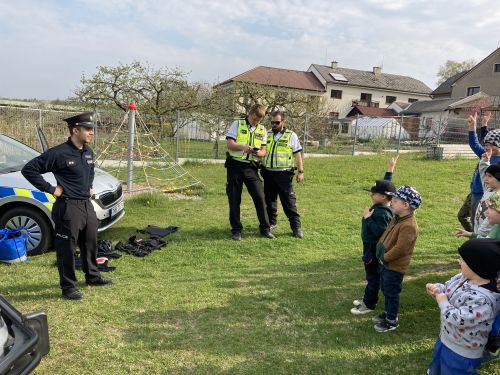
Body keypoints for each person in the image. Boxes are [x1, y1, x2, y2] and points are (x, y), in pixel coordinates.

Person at [21, 112, 113, 300]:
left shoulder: (88, 152)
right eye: (87, 129)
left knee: (90, 243)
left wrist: (89, 187)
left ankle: (93, 277)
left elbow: (90, 170)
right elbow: (29, 169)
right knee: (67, 249)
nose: (91, 133)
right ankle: (68, 287)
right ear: (75, 130)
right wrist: (51, 189)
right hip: (68, 207)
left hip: (87, 206)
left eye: (91, 129)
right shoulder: (58, 153)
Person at [426, 239, 500, 375]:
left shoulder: (483, 300)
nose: (459, 262)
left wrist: (442, 301)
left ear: (477, 266)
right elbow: (449, 289)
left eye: (463, 260)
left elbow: (458, 319)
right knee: (437, 365)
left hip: (463, 351)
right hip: (446, 338)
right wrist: (438, 289)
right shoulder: (463, 277)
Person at [351, 156, 398, 315]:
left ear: (384, 196)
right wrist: (390, 169)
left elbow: (379, 231)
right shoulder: (383, 203)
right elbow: (387, 185)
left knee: (373, 275)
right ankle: (367, 297)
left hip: (373, 248)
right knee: (370, 274)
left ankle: (369, 304)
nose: (371, 195)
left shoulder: (383, 213)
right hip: (370, 246)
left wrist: (367, 219)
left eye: (374, 193)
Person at [373, 185, 421, 332]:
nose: (392, 202)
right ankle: (388, 312)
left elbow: (401, 249)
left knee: (391, 293)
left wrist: (385, 258)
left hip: (394, 267)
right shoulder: (397, 218)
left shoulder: (409, 226)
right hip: (386, 264)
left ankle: (391, 320)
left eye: (395, 200)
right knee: (386, 289)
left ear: (406, 205)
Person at [225, 104, 274, 241]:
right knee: (234, 199)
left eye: (259, 120)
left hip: (252, 167)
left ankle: (265, 229)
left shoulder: (262, 129)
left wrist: (259, 153)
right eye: (254, 119)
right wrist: (243, 148)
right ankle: (236, 230)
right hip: (235, 166)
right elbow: (230, 144)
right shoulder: (237, 124)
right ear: (250, 113)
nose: (256, 122)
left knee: (260, 197)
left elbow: (264, 151)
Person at [261, 110, 304, 238]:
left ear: (283, 122)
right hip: (268, 173)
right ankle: (271, 223)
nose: (274, 125)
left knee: (289, 202)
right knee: (269, 201)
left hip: (284, 174)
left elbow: (297, 155)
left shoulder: (291, 136)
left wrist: (300, 171)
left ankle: (296, 227)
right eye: (272, 122)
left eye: (277, 122)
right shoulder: (266, 134)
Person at [456, 149, 500, 238]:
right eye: (486, 175)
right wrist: (485, 160)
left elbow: (489, 221)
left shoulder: (497, 198)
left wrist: (477, 234)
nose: (486, 179)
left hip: (487, 233)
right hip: (478, 231)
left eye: (490, 176)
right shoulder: (488, 190)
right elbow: (484, 172)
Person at [468, 111, 498, 226]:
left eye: (492, 145)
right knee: (474, 219)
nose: (488, 148)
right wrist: (472, 128)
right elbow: (474, 143)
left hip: (490, 195)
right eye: (486, 145)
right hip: (476, 192)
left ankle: (481, 239)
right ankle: (474, 238)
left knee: (485, 221)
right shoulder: (484, 154)